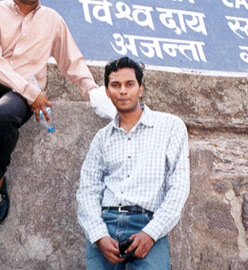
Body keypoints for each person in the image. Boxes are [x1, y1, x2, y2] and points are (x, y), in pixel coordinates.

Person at [0, 0, 114, 270]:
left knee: (3, 118)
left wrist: (93, 92)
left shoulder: (53, 21)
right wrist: (34, 93)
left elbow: (71, 61)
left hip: (21, 93)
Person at [77, 56, 190, 269]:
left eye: (129, 84)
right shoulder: (102, 138)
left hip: (148, 223)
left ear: (140, 89)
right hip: (106, 225)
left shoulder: (170, 126)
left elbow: (179, 187)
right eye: (115, 85)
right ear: (108, 92)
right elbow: (87, 191)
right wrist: (99, 235)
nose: (122, 91)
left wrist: (151, 233)